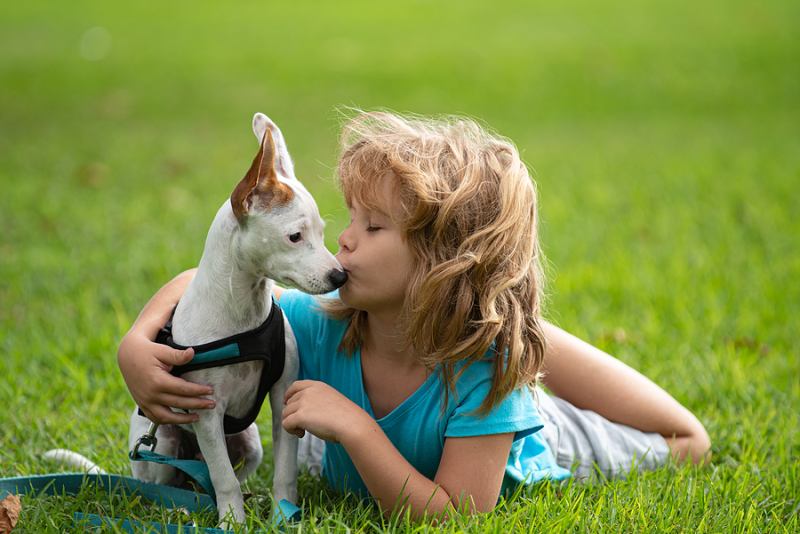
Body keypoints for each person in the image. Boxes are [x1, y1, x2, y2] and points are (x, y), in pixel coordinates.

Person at [118, 111, 710, 519]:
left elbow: (455, 515)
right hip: (429, 370)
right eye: (348, 219)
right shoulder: (318, 317)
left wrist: (354, 426)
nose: (343, 242)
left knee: (683, 441)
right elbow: (205, 283)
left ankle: (515, 332)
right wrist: (137, 344)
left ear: (442, 265)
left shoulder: (482, 373)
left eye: (372, 227)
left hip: (544, 442)